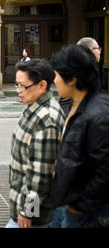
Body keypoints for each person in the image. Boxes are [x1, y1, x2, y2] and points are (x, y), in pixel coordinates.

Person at [50, 45, 109, 228]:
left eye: (57, 76)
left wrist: (79, 205)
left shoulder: (98, 115)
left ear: (73, 79)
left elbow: (104, 172)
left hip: (86, 214)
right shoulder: (75, 106)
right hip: (65, 204)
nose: (54, 81)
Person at [6, 59, 65, 228]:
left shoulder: (46, 119)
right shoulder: (33, 106)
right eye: (16, 85)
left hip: (35, 217)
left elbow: (41, 175)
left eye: (23, 86)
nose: (18, 91)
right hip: (22, 205)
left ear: (42, 85)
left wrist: (28, 212)